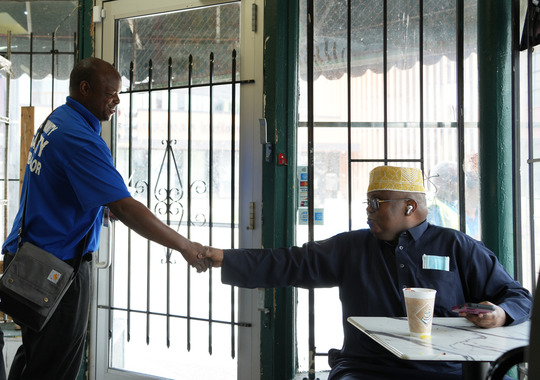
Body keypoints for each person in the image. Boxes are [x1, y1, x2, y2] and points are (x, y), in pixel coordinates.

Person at [198, 165, 532, 380]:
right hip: (366, 370)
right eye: (367, 204)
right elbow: (289, 262)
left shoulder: (456, 246)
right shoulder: (351, 247)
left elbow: (518, 296)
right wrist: (224, 258)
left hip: (443, 371)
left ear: (408, 207)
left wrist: (501, 314)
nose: (368, 212)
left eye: (376, 203)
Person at [1, 57, 207, 380]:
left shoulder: (59, 119)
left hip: (30, 256)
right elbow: (126, 208)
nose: (117, 101)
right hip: (57, 271)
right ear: (85, 89)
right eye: (111, 93)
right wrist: (183, 245)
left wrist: (100, 205)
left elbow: (63, 186)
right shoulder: (79, 139)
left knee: (34, 358)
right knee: (55, 368)